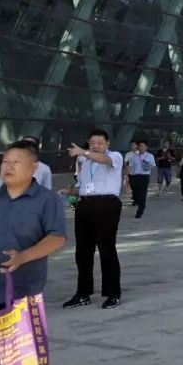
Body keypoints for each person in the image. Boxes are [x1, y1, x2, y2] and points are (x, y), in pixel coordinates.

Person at [0, 141, 67, 365]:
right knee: (5, 357)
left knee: (11, 363)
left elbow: (57, 237)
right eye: (5, 161)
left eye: (16, 162)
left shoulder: (46, 200)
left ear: (34, 168)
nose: (8, 167)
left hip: (22, 296)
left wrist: (23, 256)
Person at [63, 129, 124, 309]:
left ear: (107, 144)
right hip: (85, 205)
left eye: (99, 143)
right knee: (82, 252)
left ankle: (113, 293)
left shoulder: (115, 156)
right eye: (92, 143)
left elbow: (105, 160)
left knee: (107, 249)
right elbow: (83, 187)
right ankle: (83, 293)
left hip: (107, 204)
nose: (95, 146)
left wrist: (84, 152)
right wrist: (70, 191)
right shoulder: (85, 162)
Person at [125, 141, 155, 218]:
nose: (141, 147)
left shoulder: (150, 156)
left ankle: (140, 210)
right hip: (135, 176)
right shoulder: (134, 156)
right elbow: (130, 166)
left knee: (142, 193)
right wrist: (127, 175)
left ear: (146, 147)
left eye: (143, 146)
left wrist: (147, 165)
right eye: (140, 146)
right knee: (135, 192)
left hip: (144, 176)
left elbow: (153, 165)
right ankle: (138, 201)